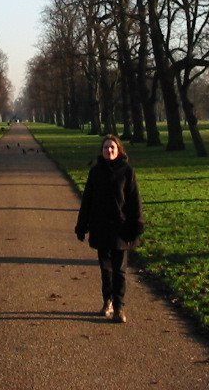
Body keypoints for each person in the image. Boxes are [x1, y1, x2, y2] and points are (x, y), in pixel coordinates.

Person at [75, 135, 144, 323]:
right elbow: (87, 200)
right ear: (102, 151)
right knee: (105, 269)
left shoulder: (127, 171)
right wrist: (82, 225)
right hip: (100, 227)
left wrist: (137, 225)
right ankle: (107, 302)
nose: (109, 151)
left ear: (119, 150)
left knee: (120, 270)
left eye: (112, 147)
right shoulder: (95, 172)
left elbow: (134, 200)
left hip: (121, 229)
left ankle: (119, 307)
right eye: (106, 148)